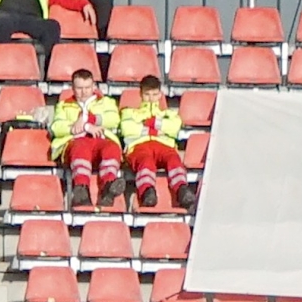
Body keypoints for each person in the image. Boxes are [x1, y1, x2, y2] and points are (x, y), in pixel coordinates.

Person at [52, 68, 123, 209]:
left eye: (87, 88)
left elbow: (113, 119)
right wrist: (83, 128)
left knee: (111, 148)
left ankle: (108, 186)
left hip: (100, 140)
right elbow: (57, 127)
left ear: (94, 86)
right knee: (81, 146)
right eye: (79, 88)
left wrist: (88, 120)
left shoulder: (106, 102)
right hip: (75, 143)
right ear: (72, 88)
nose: (84, 92)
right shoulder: (63, 106)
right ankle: (81, 188)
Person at [122, 74, 195, 210]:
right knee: (145, 161)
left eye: (155, 94)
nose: (151, 98)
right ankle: (147, 192)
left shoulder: (168, 114)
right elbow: (127, 129)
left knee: (173, 158)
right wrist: (157, 130)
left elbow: (175, 126)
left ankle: (182, 189)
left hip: (164, 146)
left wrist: (153, 123)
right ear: (141, 94)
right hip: (139, 146)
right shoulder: (129, 112)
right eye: (147, 94)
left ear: (160, 95)